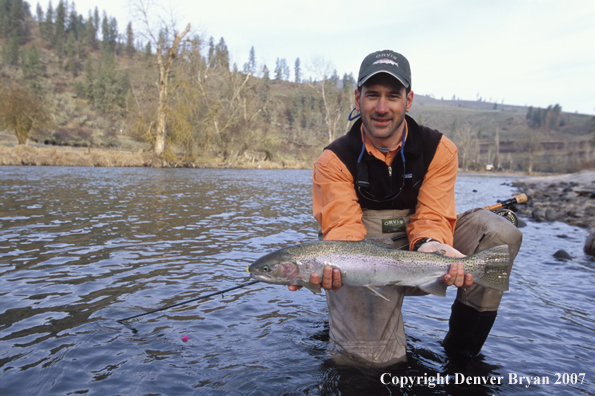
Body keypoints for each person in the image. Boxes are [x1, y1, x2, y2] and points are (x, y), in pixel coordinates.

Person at [289, 50, 522, 366]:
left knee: (500, 233)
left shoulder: (439, 149)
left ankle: (462, 354)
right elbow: (344, 232)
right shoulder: (334, 160)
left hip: (423, 255)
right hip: (364, 261)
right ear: (358, 99)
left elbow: (432, 215)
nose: (382, 108)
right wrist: (331, 268)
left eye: (393, 96)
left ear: (408, 100)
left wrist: (434, 245)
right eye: (372, 95)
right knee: (371, 364)